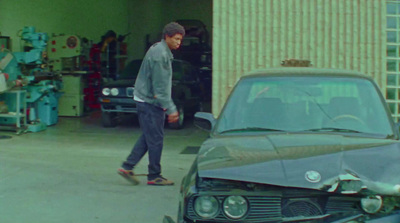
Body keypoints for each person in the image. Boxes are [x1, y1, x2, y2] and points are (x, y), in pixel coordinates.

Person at [117, 22, 185, 186]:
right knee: (155, 139)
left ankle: (127, 166)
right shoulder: (160, 55)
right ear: (167, 36)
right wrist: (171, 109)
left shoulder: (159, 49)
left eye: (180, 39)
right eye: (176, 39)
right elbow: (160, 89)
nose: (179, 43)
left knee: (150, 136)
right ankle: (154, 175)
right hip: (150, 102)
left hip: (148, 100)